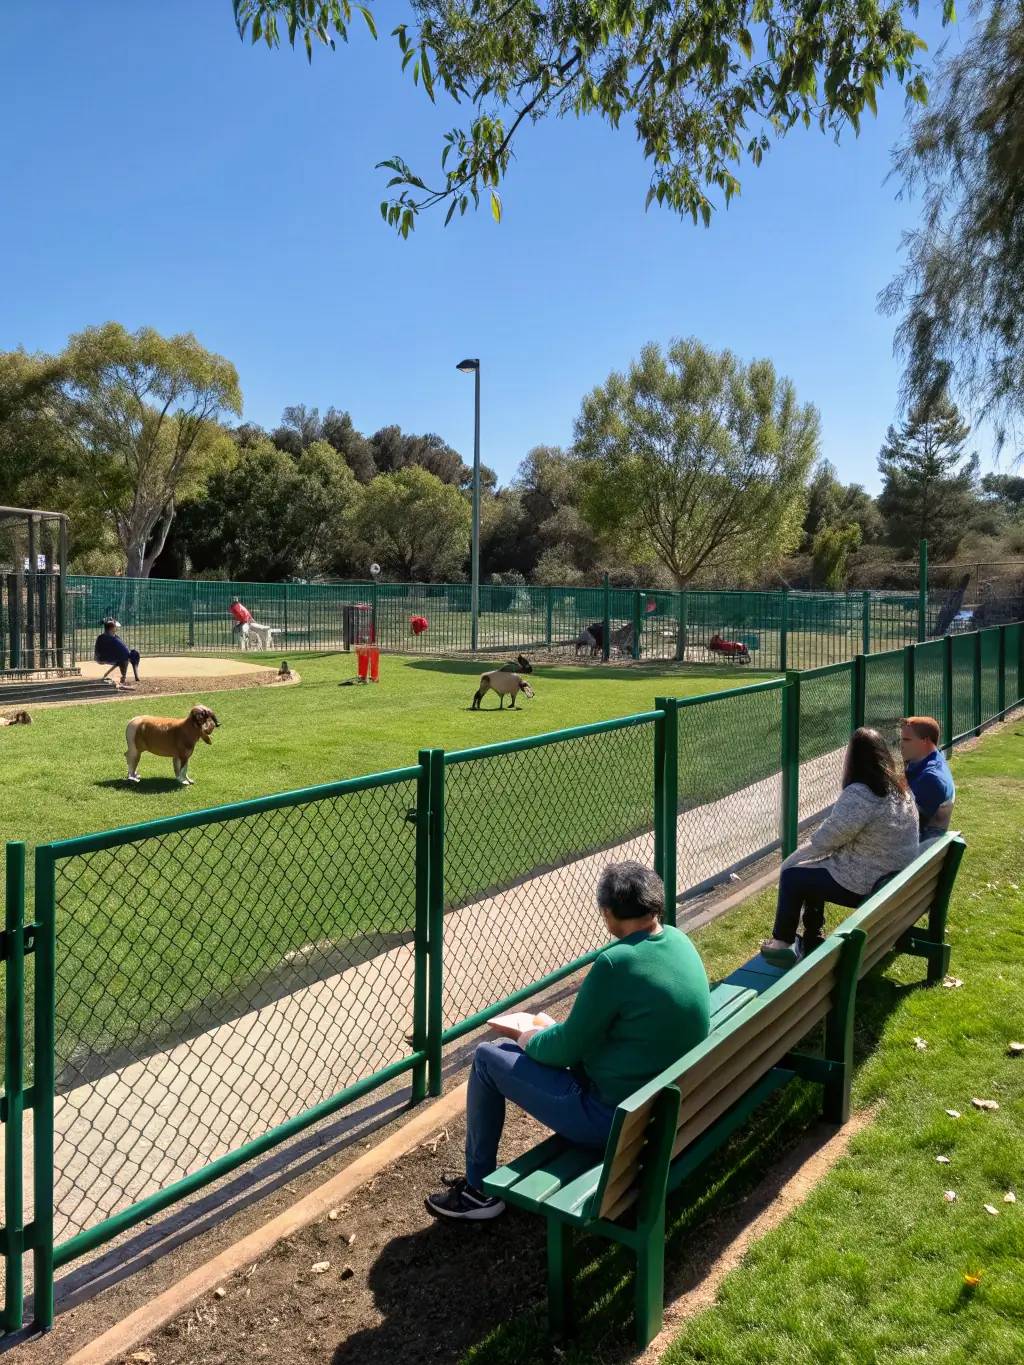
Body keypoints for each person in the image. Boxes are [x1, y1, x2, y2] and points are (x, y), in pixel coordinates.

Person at [425, 861, 711, 1221]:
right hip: (669, 1106)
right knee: (520, 1048)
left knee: (487, 1058)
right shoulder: (678, 940)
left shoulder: (616, 963)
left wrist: (526, 1036)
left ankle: (478, 1191)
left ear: (608, 913)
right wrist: (555, 1034)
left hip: (617, 1123)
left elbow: (564, 1050)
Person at [760, 727, 920, 966]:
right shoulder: (898, 791)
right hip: (892, 878)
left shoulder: (860, 794)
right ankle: (812, 937)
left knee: (794, 876)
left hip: (868, 883)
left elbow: (828, 839)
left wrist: (793, 859)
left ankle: (782, 944)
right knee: (813, 868)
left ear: (853, 759)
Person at [899, 716, 956, 838]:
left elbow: (913, 821)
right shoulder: (927, 759)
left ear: (926, 741)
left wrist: (905, 791)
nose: (901, 744)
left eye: (907, 740)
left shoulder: (931, 777)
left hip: (922, 843)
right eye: (901, 739)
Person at [94, 618, 140, 686]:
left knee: (124, 657)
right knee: (128, 656)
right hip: (103, 658)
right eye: (115, 627)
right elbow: (124, 651)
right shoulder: (112, 638)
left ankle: (115, 675)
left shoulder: (104, 637)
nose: (116, 628)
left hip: (101, 657)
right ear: (112, 628)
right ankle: (124, 676)